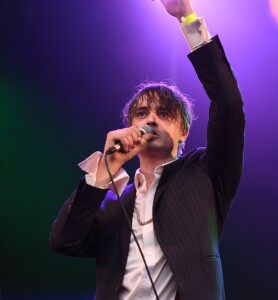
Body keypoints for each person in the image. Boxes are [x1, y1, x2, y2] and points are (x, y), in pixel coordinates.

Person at [49, 0, 245, 299]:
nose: (151, 118)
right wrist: (107, 167)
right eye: (141, 114)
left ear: (183, 133)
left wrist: (186, 17)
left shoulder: (206, 174)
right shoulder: (113, 205)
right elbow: (64, 241)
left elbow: (229, 105)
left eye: (164, 113)